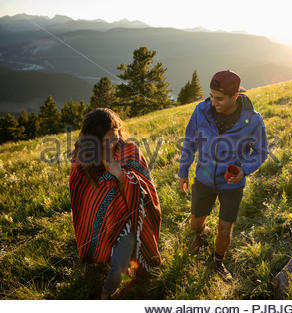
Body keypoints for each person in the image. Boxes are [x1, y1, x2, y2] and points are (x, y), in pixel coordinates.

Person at [178, 70, 269, 281]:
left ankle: (218, 262)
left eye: (219, 98)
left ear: (235, 96)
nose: (213, 102)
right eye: (211, 96)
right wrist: (183, 171)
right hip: (203, 179)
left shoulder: (253, 121)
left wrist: (244, 170)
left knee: (224, 229)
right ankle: (200, 235)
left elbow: (261, 152)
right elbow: (190, 141)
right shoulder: (201, 111)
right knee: (195, 223)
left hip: (232, 184)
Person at [69, 108, 161, 299]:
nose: (116, 140)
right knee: (117, 260)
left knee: (120, 264)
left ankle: (105, 294)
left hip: (130, 216)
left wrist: (120, 175)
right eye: (109, 138)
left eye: (117, 133)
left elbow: (145, 187)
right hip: (105, 222)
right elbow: (83, 197)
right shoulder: (83, 160)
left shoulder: (130, 150)